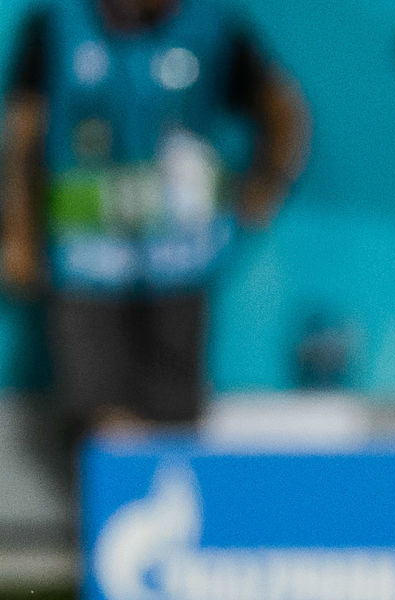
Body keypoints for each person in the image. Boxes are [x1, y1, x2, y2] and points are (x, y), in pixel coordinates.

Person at [0, 0, 307, 453]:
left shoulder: (213, 27)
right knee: (98, 415)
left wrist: (262, 189)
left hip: (179, 260)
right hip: (86, 258)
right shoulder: (60, 25)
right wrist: (19, 233)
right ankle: (113, 508)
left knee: (173, 420)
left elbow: (284, 109)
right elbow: (22, 130)